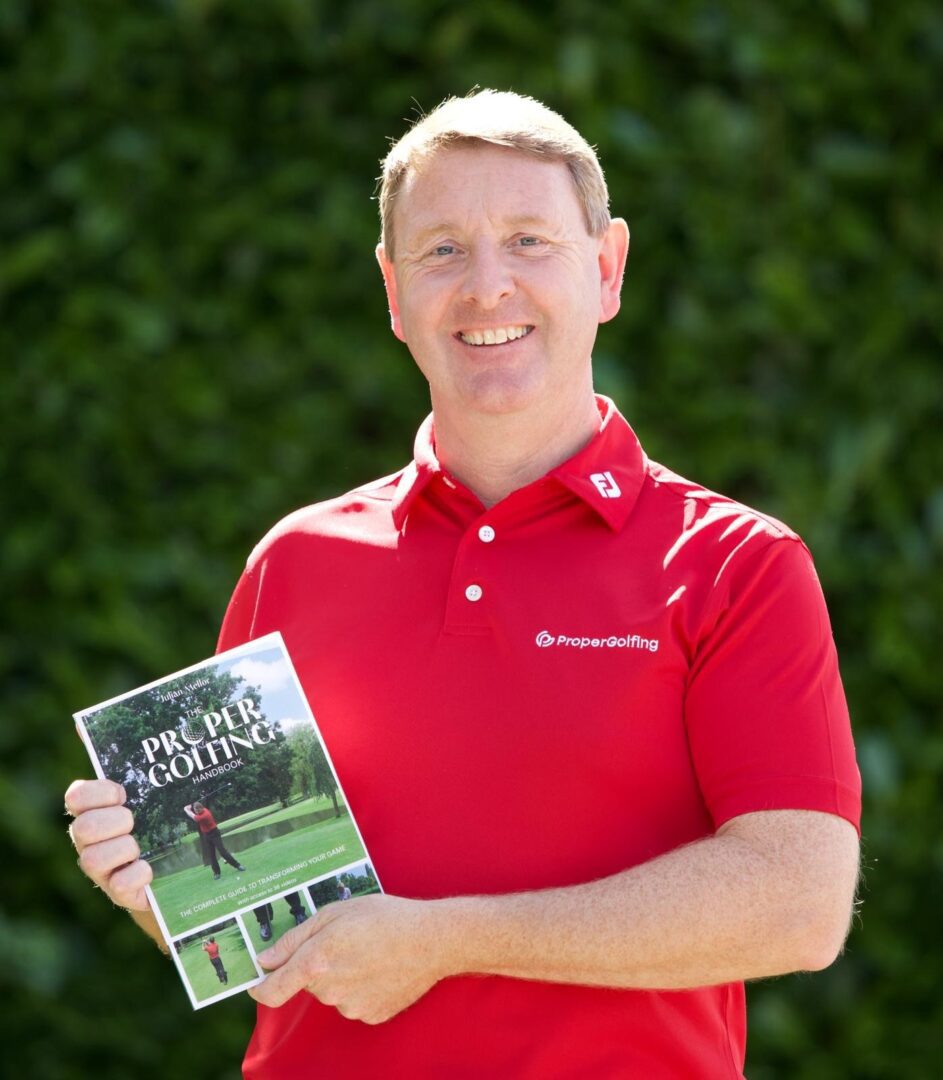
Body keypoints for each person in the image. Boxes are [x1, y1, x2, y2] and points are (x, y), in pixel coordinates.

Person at [65, 89, 861, 1077]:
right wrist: (164, 896)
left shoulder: (737, 564)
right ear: (394, 292)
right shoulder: (296, 560)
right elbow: (270, 952)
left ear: (606, 269)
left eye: (529, 240)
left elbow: (799, 904)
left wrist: (446, 942)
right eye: (442, 250)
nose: (487, 287)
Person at [183, 800, 246, 879]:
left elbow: (192, 816)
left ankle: (238, 865)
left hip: (214, 834)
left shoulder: (204, 814)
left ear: (202, 808)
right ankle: (216, 873)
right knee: (211, 855)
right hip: (206, 835)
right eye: (196, 810)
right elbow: (194, 811)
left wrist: (186, 809)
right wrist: (192, 806)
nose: (197, 812)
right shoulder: (203, 810)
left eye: (198, 810)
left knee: (223, 852)